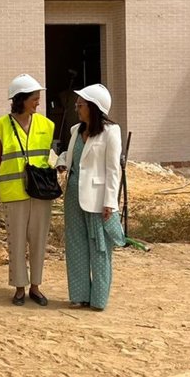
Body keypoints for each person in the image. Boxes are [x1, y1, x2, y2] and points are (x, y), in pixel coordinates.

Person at [0, 74, 57, 307]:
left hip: (41, 193)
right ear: (20, 99)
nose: (38, 102)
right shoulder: (0, 126)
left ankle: (35, 287)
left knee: (38, 241)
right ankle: (19, 287)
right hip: (14, 193)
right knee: (17, 242)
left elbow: (48, 155)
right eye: (34, 98)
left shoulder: (47, 125)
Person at [56, 84, 124, 311]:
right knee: (75, 245)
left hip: (97, 199)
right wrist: (62, 162)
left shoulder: (110, 132)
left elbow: (113, 170)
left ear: (94, 107)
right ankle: (79, 295)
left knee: (99, 248)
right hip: (73, 195)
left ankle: (98, 299)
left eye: (81, 104)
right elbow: (71, 155)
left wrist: (110, 202)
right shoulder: (76, 130)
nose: (77, 108)